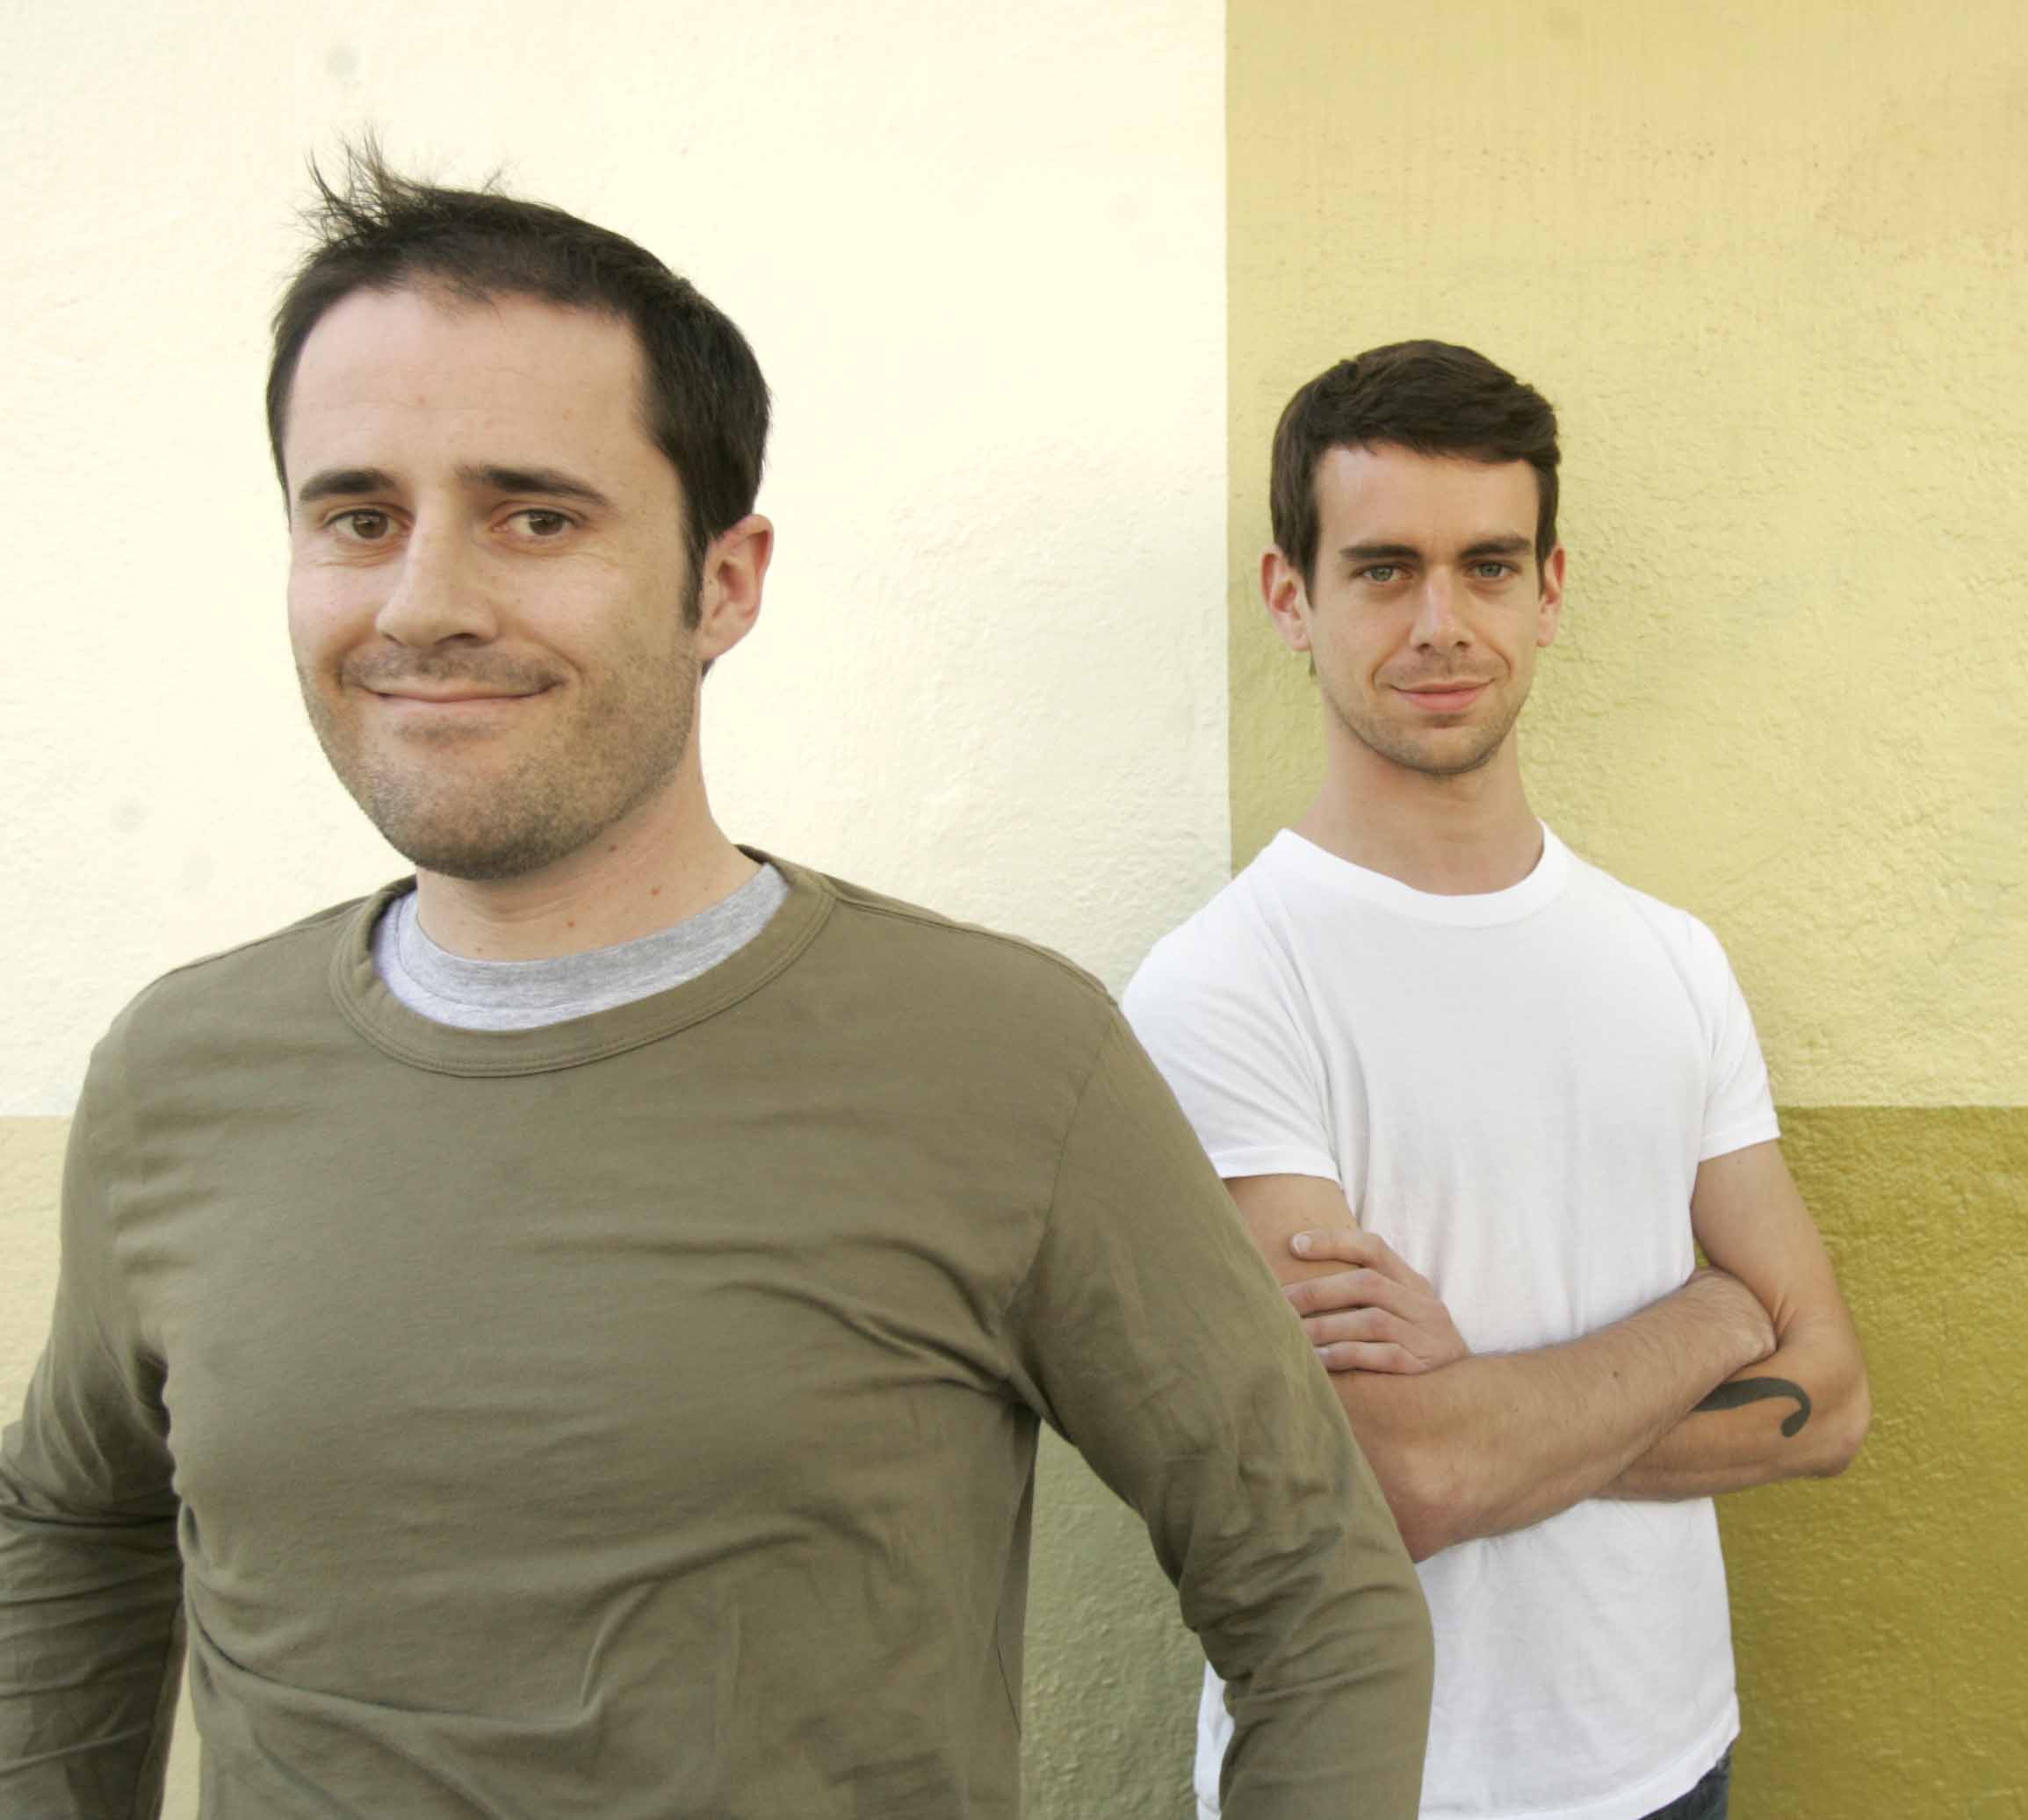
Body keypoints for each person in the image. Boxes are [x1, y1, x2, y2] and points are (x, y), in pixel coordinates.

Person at [0, 154, 1432, 1819]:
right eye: (358, 516)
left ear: (724, 584)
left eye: (536, 515)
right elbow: (72, 1522)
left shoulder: (1007, 1063)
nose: (425, 603)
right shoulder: (179, 1070)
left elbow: (1318, 1605)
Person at [1122, 341, 1871, 1820]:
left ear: (1551, 590)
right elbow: (1398, 1484)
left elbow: (1832, 1402)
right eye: (1385, 569)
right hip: (1374, 1786)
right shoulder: (1225, 987)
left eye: (1488, 567)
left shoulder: (1670, 960)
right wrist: (1720, 1313)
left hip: (1668, 1765)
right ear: (1295, 597)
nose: (1442, 624)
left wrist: (1484, 1423)